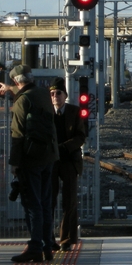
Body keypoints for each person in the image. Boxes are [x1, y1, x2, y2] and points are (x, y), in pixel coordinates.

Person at [0, 64, 58, 263]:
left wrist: (14, 163)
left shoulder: (22, 101)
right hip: (49, 156)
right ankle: (48, 246)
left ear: (16, 80)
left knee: (32, 204)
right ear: (30, 77)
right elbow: (27, 91)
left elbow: (17, 135)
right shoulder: (43, 94)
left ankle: (35, 247)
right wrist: (11, 89)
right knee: (45, 203)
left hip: (30, 159)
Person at [49, 77, 87, 251]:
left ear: (65, 95)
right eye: (52, 94)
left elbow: (80, 136)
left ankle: (67, 239)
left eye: (58, 93)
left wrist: (64, 147)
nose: (55, 96)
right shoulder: (46, 112)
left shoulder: (74, 111)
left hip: (69, 160)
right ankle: (48, 238)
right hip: (50, 161)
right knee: (48, 200)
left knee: (69, 201)